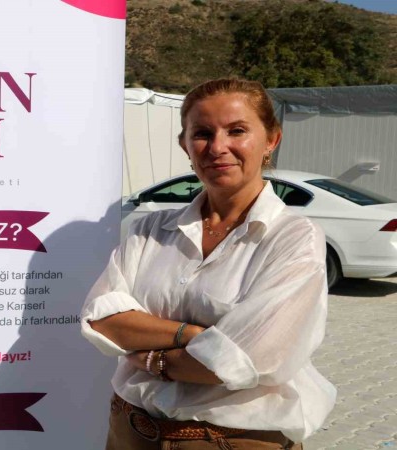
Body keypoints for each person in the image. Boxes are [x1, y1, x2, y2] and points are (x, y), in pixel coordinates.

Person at [81, 78, 336, 449]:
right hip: (129, 432)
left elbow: (246, 360)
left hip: (229, 441)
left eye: (237, 131)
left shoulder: (293, 238)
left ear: (271, 140)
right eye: (202, 133)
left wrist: (150, 358)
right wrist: (192, 335)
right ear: (184, 145)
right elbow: (102, 319)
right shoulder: (150, 229)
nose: (218, 147)